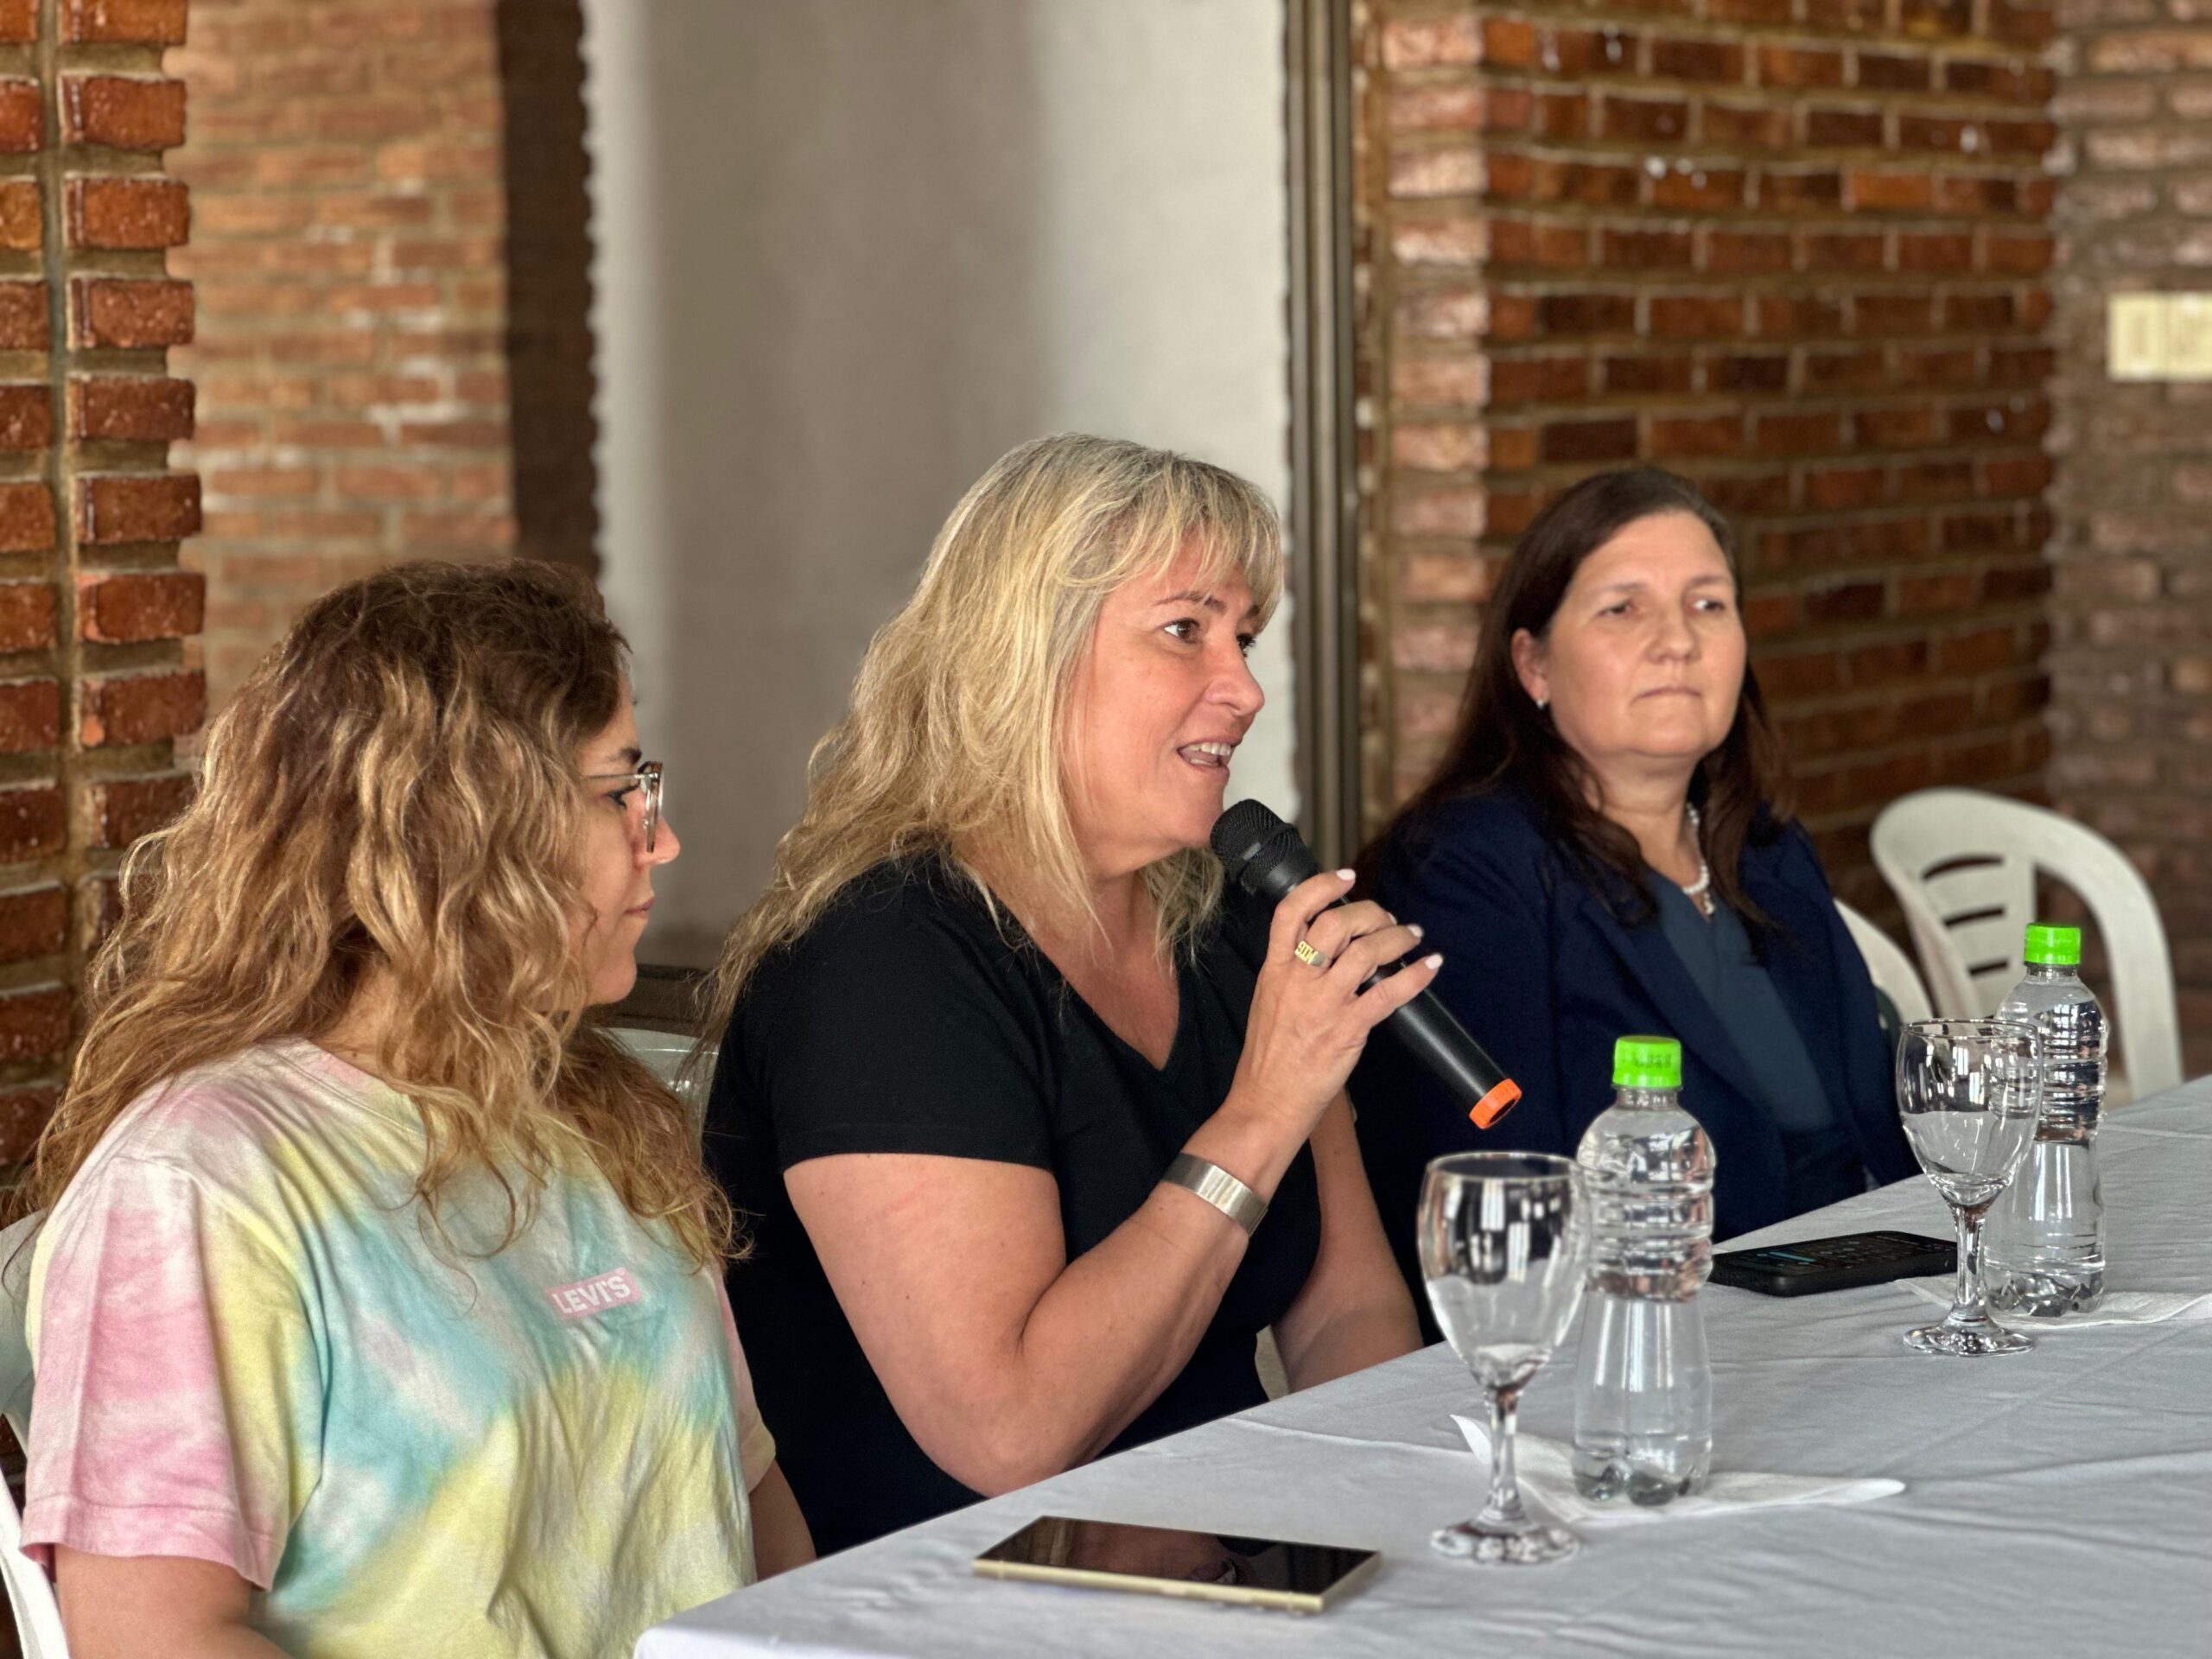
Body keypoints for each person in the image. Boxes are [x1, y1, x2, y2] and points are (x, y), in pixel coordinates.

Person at [19, 562, 811, 1659]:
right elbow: (147, 1640)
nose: (659, 839)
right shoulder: (200, 1182)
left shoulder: (604, 1122)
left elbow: (751, 1507)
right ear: (458, 833)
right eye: (617, 790)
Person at [704, 434, 1426, 1554]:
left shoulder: (1228, 920)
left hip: (1237, 1572)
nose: (1243, 688)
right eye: (1186, 631)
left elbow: (1348, 1309)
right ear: (1027, 657)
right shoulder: (881, 962)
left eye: (1244, 637)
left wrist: (1380, 1525)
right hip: (952, 1612)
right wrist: (1265, 1106)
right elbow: (1010, 1433)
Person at [1352, 467, 1916, 1305]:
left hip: (1867, 1302)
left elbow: (1882, 1133)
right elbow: (1504, 1207)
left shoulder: (1766, 849)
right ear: (1532, 664)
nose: (1677, 641)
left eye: (1707, 604)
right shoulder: (1466, 869)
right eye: (1622, 608)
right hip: (1645, 1333)